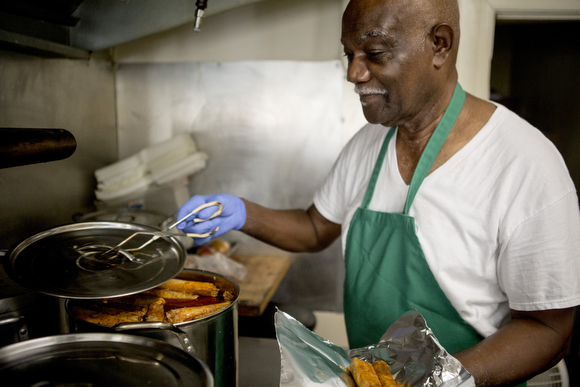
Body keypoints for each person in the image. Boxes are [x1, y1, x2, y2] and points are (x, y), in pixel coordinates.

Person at [176, 0, 580, 385]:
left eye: (374, 53)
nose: (354, 73)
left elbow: (548, 329)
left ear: (439, 45)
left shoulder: (524, 163)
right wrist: (240, 211)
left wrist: (437, 382)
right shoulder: (367, 144)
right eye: (349, 54)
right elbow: (316, 228)